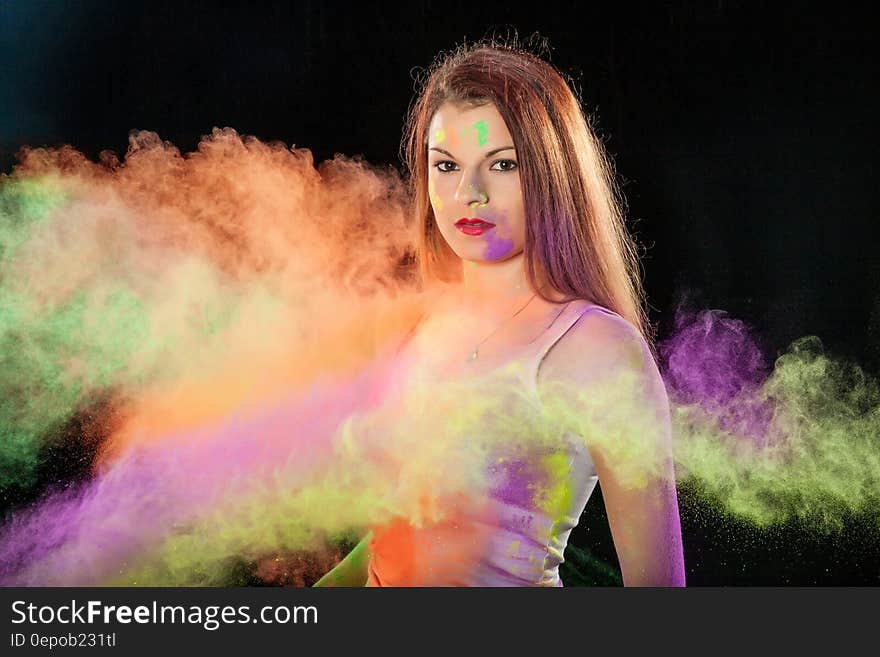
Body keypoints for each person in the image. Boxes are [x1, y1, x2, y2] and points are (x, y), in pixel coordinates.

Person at [314, 39, 685, 587]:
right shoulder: (415, 327)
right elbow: (390, 547)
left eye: (502, 164)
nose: (470, 193)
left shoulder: (596, 349)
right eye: (446, 165)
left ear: (551, 174)